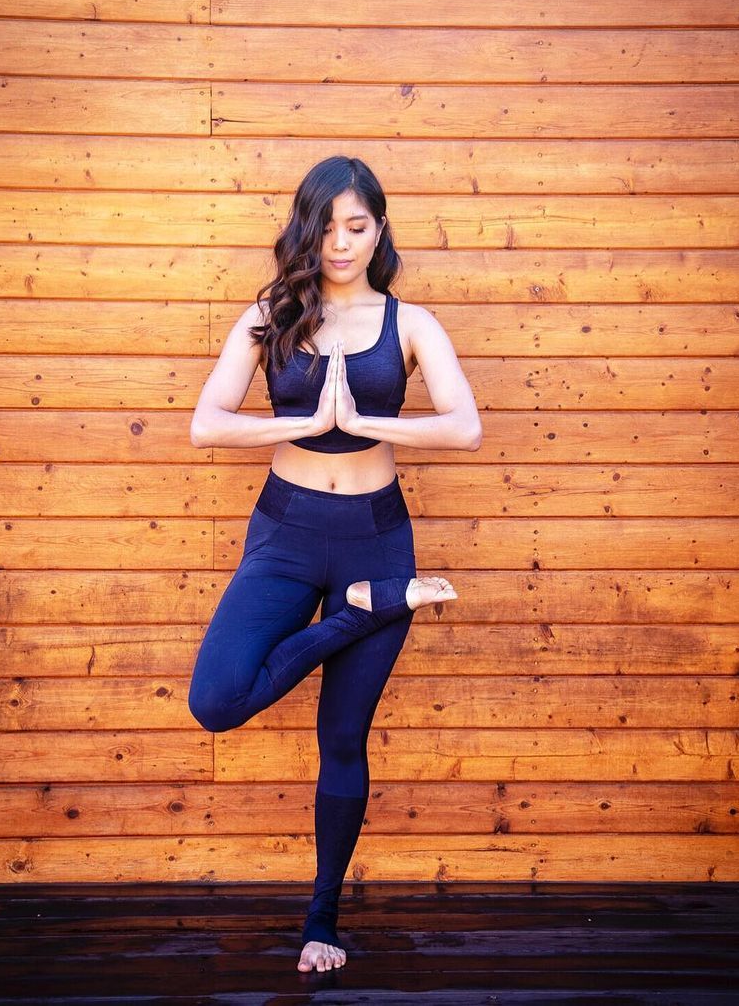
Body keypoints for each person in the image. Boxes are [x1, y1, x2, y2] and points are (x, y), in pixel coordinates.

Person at [187, 155, 482, 974]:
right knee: (216, 698)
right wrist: (305, 424)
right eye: (325, 227)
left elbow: (464, 426)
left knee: (343, 736)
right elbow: (207, 423)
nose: (340, 243)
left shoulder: (411, 324)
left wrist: (368, 422)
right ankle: (371, 606)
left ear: (379, 230)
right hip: (286, 534)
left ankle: (323, 918)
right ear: (305, 230)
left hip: (374, 536)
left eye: (357, 226)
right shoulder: (269, 316)